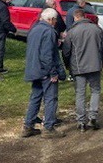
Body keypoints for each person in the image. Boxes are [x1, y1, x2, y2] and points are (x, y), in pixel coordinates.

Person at [21, 8, 67, 138]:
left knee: (35, 97)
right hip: (45, 71)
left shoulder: (34, 29)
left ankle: (28, 126)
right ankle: (48, 128)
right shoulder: (49, 31)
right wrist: (53, 73)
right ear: (51, 19)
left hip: (34, 69)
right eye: (55, 20)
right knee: (51, 98)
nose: (56, 22)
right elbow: (47, 55)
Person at [62, 9, 103, 132]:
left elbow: (66, 51)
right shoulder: (97, 29)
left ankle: (81, 121)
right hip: (95, 65)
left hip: (78, 66)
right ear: (85, 16)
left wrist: (67, 65)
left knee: (80, 93)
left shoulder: (71, 32)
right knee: (95, 90)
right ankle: (93, 117)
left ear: (75, 18)